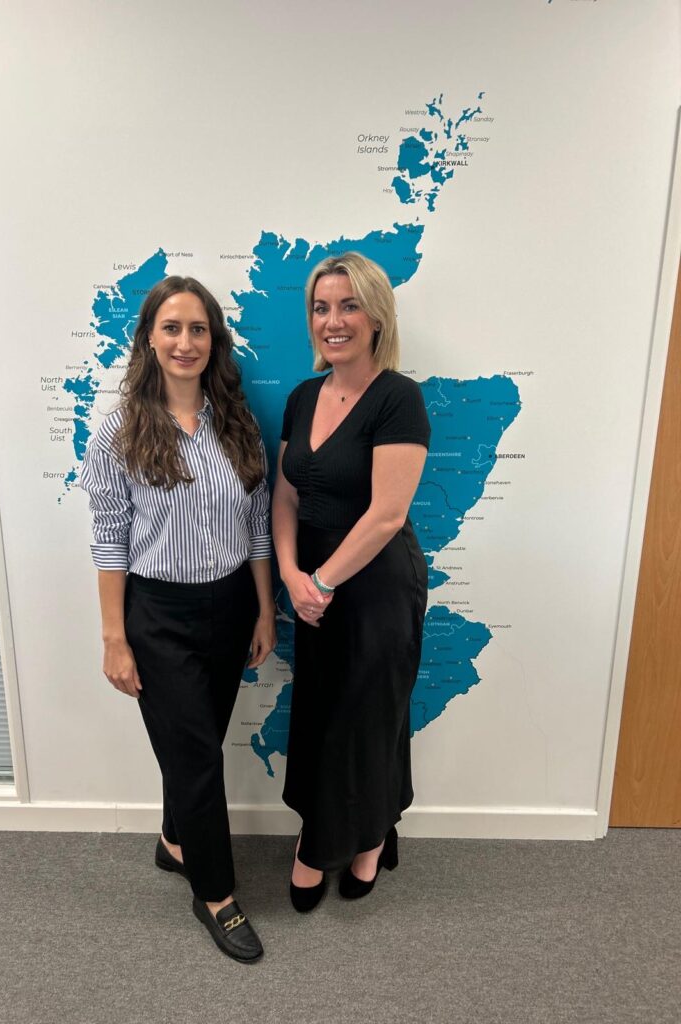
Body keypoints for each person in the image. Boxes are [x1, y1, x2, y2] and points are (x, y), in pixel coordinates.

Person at [80, 276, 276, 963]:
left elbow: (257, 526)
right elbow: (108, 539)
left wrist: (263, 610)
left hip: (227, 609)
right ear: (149, 339)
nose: (185, 341)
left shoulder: (237, 425)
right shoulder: (120, 433)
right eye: (171, 328)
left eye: (198, 329)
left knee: (199, 749)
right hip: (156, 616)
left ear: (213, 341)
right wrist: (115, 638)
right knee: (194, 758)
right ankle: (215, 896)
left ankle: (174, 841)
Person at [272, 252, 430, 911]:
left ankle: (359, 842)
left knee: (367, 719)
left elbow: (388, 513)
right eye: (320, 307)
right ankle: (335, 830)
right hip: (314, 587)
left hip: (375, 589)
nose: (332, 320)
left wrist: (321, 582)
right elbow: (285, 493)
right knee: (319, 715)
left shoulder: (399, 398)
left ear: (375, 318)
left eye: (347, 306)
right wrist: (289, 573)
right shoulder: (303, 396)